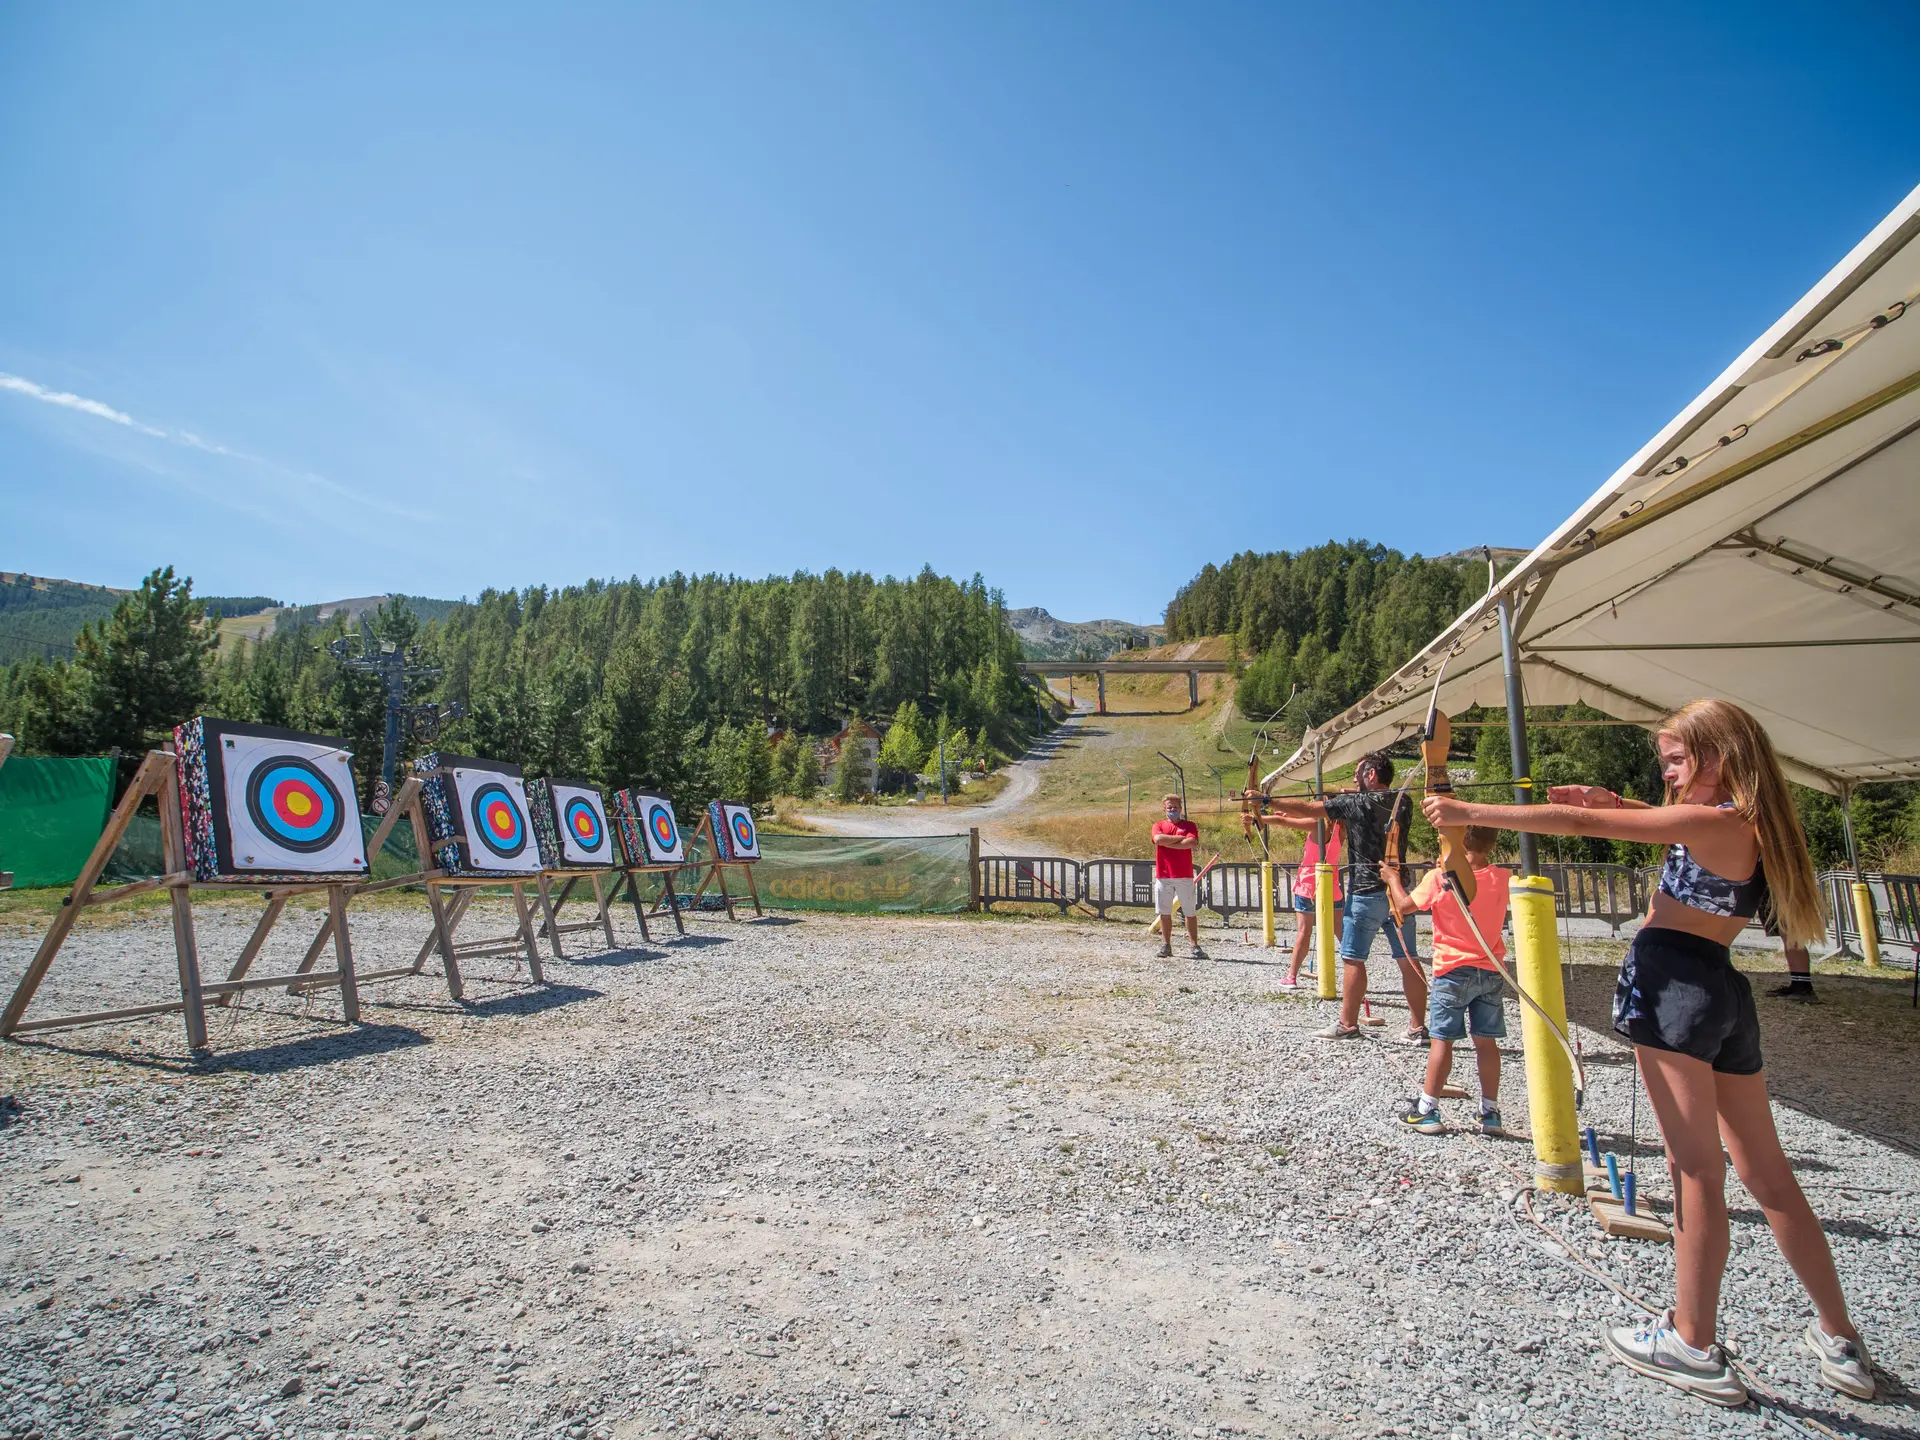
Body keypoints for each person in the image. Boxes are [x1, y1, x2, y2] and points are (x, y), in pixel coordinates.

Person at [1425, 699, 1873, 1407]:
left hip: (1675, 989)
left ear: (1720, 756)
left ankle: (1692, 1342)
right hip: (1719, 991)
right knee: (1767, 1173)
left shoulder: (1715, 820)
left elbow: (1586, 825)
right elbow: (1643, 821)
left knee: (1694, 1170)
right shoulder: (1742, 820)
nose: (1664, 774)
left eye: (1676, 760)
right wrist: (1619, 801)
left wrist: (1465, 813)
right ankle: (1841, 1340)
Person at [1258, 752, 1425, 1042]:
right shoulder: (1404, 801)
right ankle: (1418, 1028)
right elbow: (1372, 803)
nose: (1353, 778)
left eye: (1358, 772)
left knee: (1353, 959)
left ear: (1371, 775)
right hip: (1398, 892)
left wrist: (1268, 801)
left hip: (1366, 893)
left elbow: (1310, 808)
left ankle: (1348, 1024)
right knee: (1408, 958)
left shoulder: (1355, 803)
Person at [1383, 826, 1510, 1136]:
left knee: (1442, 1040)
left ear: (1455, 841)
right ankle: (1490, 1112)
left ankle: (1427, 1109)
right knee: (1486, 1042)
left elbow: (1403, 907)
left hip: (1452, 971)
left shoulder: (1440, 879)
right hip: (1490, 970)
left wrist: (1392, 879)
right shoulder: (1502, 878)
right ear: (1490, 846)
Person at [1262, 810, 1341, 990]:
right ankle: (1355, 972)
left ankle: (1291, 976)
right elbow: (1299, 819)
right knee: (1341, 932)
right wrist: (1289, 815)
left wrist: (1258, 818)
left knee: (1304, 932)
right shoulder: (1340, 827)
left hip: (1308, 887)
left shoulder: (1316, 825)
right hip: (1332, 887)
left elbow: (1282, 822)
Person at [1151, 793, 1206, 960]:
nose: (1172, 810)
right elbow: (1158, 839)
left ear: (1180, 808)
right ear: (1164, 809)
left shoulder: (1189, 825)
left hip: (1184, 875)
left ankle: (1194, 945)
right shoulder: (1158, 825)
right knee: (1165, 912)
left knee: (1189, 911)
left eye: (1175, 807)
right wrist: (1179, 839)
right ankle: (1166, 944)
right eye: (1169, 808)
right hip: (1164, 874)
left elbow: (1190, 843)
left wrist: (1169, 842)